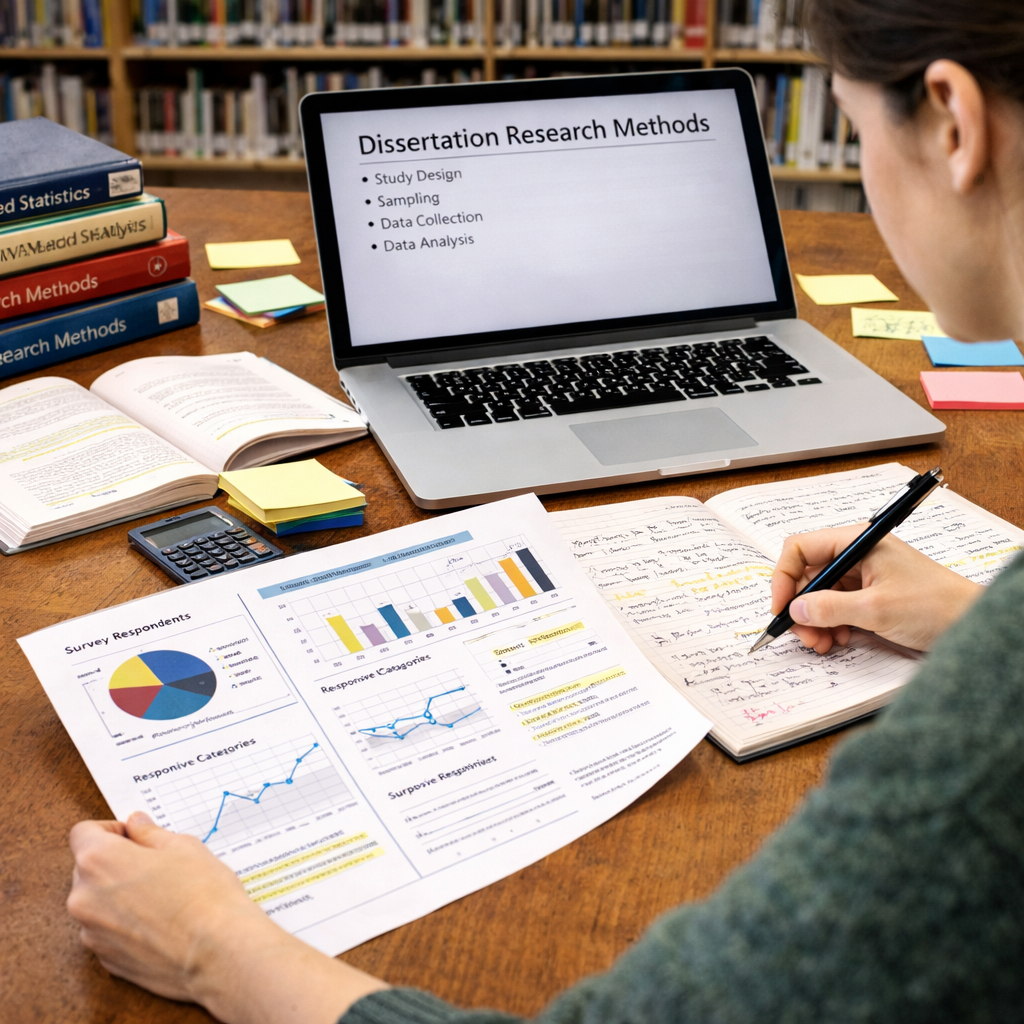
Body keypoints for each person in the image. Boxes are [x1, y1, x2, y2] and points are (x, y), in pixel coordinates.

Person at [66, 1, 1024, 1021]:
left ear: (950, 123)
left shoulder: (983, 750)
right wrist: (979, 620)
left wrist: (214, 948)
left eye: (850, 125)